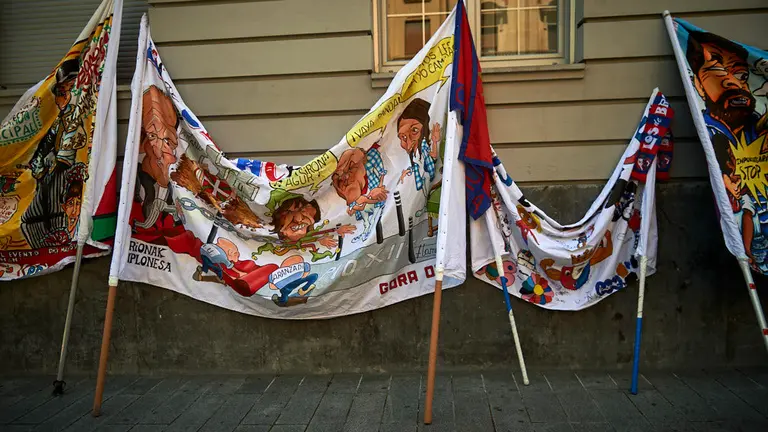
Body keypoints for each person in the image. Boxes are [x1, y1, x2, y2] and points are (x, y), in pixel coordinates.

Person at [331, 145, 388, 243]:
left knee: (375, 217)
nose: (347, 176)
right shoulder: (343, 184)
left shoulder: (372, 158)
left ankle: (369, 234)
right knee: (366, 220)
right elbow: (354, 204)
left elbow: (381, 172)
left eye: (352, 168)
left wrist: (380, 187)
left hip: (374, 196)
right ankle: (365, 233)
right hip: (365, 201)